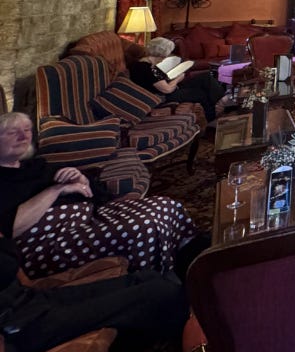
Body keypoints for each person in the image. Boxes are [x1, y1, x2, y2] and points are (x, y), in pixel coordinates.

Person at [0, 112, 196, 281]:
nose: (23, 137)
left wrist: (82, 180)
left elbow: (97, 194)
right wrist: (55, 190)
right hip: (48, 243)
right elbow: (11, 228)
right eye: (12, 132)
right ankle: (158, 284)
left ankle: (193, 267)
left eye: (27, 130)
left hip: (90, 218)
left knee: (166, 205)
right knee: (144, 226)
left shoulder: (37, 166)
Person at [0, 231, 188, 352]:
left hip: (26, 299)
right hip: (18, 328)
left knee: (146, 278)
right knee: (160, 293)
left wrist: (29, 285)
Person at [125, 38, 227, 123]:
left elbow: (160, 81)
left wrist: (174, 77)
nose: (168, 55)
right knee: (201, 93)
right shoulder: (143, 67)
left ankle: (223, 101)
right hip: (163, 97)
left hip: (170, 88)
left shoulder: (150, 65)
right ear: (162, 53)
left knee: (205, 77)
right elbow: (167, 89)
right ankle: (215, 116)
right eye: (169, 53)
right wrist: (178, 79)